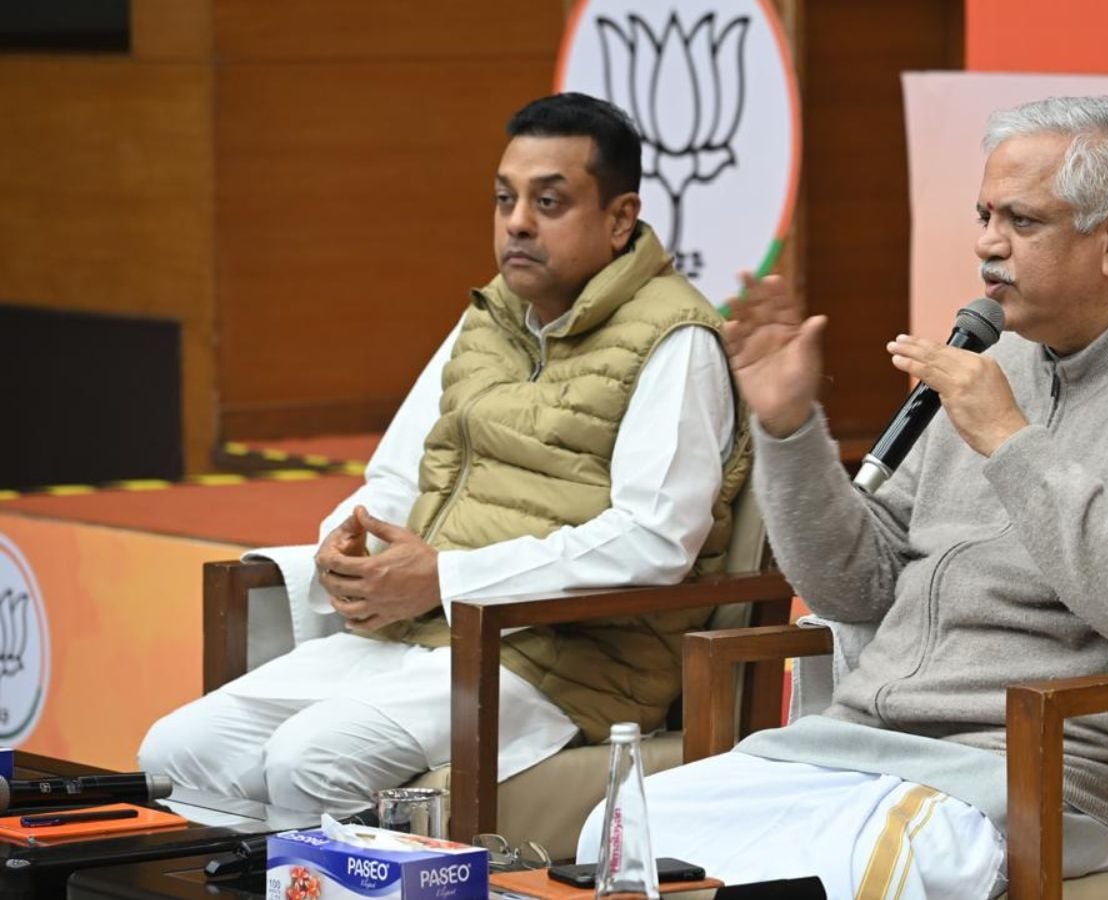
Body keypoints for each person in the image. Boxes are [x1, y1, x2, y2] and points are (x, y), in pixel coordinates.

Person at [576, 96, 1108, 899]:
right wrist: (787, 429)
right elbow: (854, 587)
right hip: (872, 749)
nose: (987, 243)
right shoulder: (1000, 364)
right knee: (626, 832)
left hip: (1062, 778)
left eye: (1022, 221)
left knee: (859, 874)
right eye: (985, 216)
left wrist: (1010, 442)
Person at [139, 93, 750, 814]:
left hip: (560, 662)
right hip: (423, 631)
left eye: (548, 202)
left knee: (311, 760)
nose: (517, 222)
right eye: (504, 199)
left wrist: (445, 579)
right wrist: (350, 544)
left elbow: (655, 541)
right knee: (176, 753)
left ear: (620, 219)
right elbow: (399, 474)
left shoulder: (677, 340)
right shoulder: (490, 316)